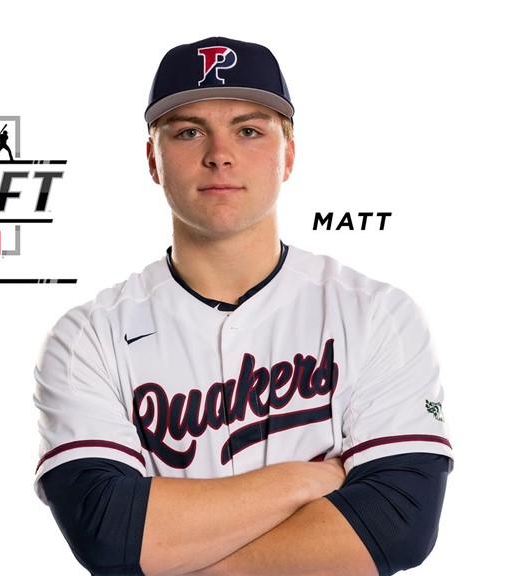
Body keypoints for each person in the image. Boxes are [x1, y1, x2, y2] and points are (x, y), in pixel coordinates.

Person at [33, 37, 451, 576]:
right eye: (189, 132)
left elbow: (397, 522)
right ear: (153, 161)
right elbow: (110, 535)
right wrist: (307, 479)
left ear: (289, 155)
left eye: (249, 130)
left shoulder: (378, 314)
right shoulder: (88, 335)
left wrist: (185, 558)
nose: (219, 154)